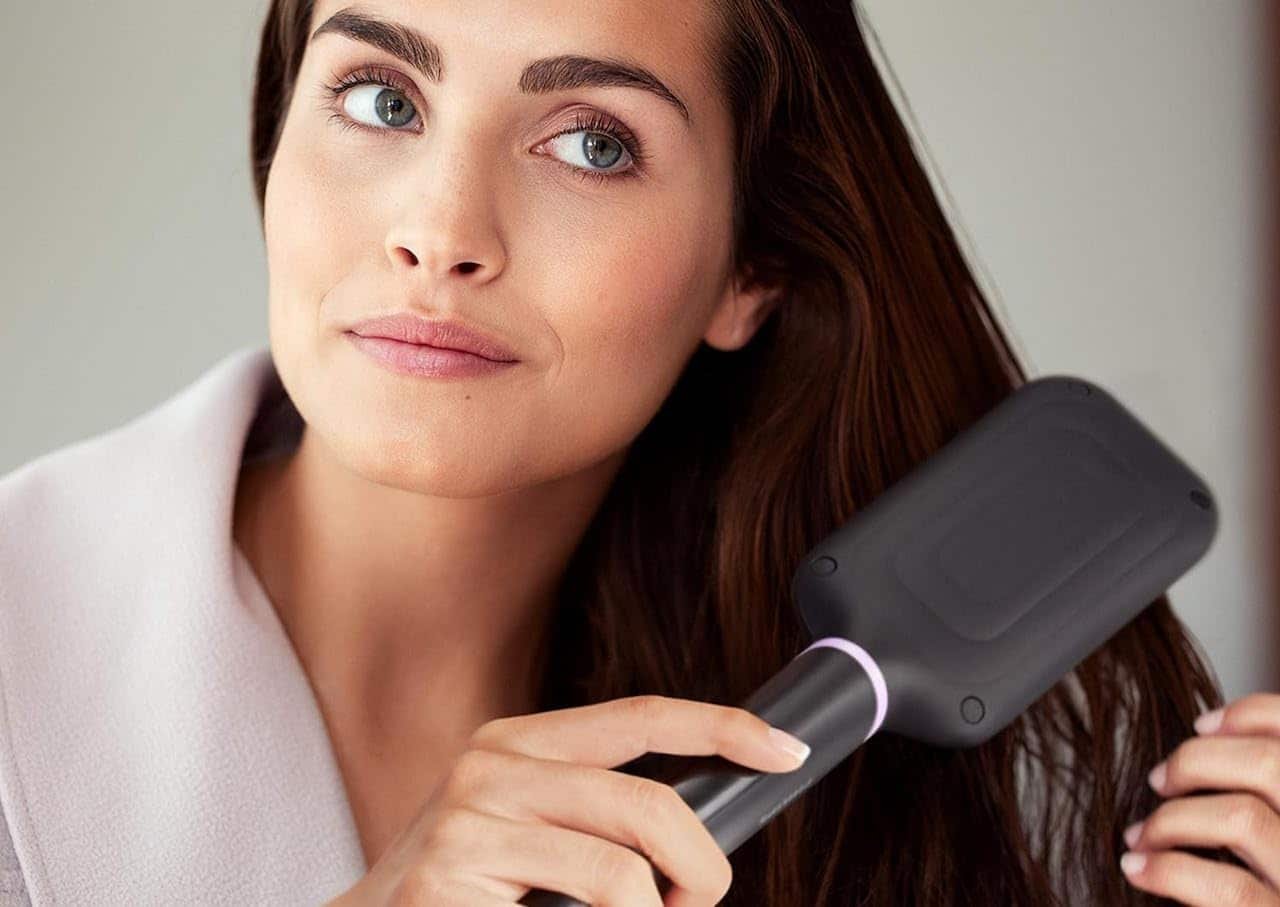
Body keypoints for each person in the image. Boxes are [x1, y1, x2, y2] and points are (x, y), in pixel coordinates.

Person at [0, 1, 1275, 905]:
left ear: (750, 269)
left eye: (591, 141)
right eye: (381, 98)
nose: (438, 232)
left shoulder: (961, 807)